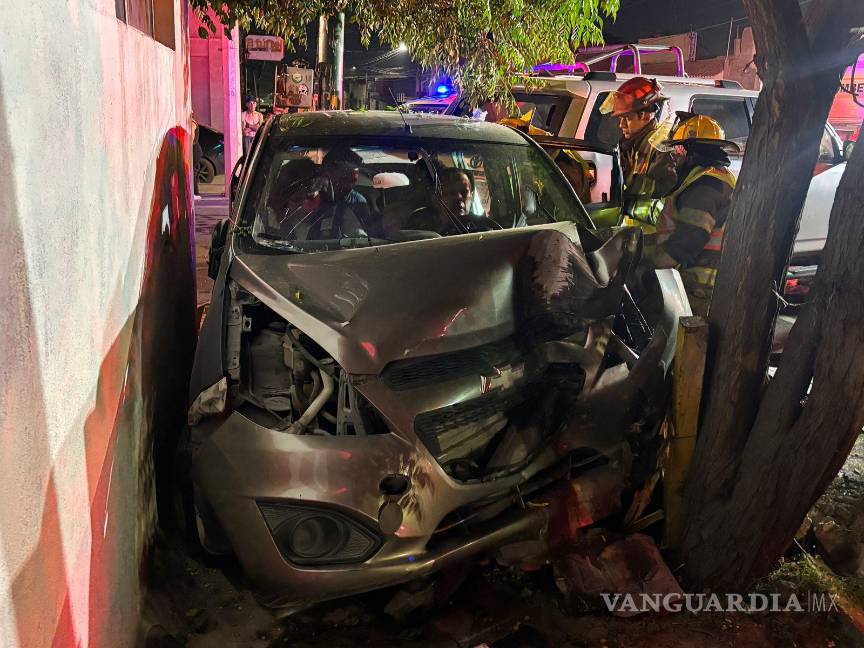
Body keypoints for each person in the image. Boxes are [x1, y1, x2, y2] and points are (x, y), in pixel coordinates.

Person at [642, 114, 738, 317]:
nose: (675, 157)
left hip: (699, 290)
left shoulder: (705, 188)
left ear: (690, 151)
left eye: (678, 150)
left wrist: (646, 266)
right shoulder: (710, 178)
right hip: (701, 286)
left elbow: (688, 241)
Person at [599, 77, 677, 232]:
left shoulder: (661, 146)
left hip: (653, 238)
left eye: (627, 118)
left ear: (646, 115)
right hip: (632, 235)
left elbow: (663, 193)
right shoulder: (631, 145)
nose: (621, 125)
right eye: (620, 118)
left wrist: (631, 179)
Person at [405, 167, 477, 235]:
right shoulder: (417, 228)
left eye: (464, 192)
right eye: (451, 192)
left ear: (471, 196)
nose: (458, 197)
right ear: (435, 199)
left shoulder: (483, 228)